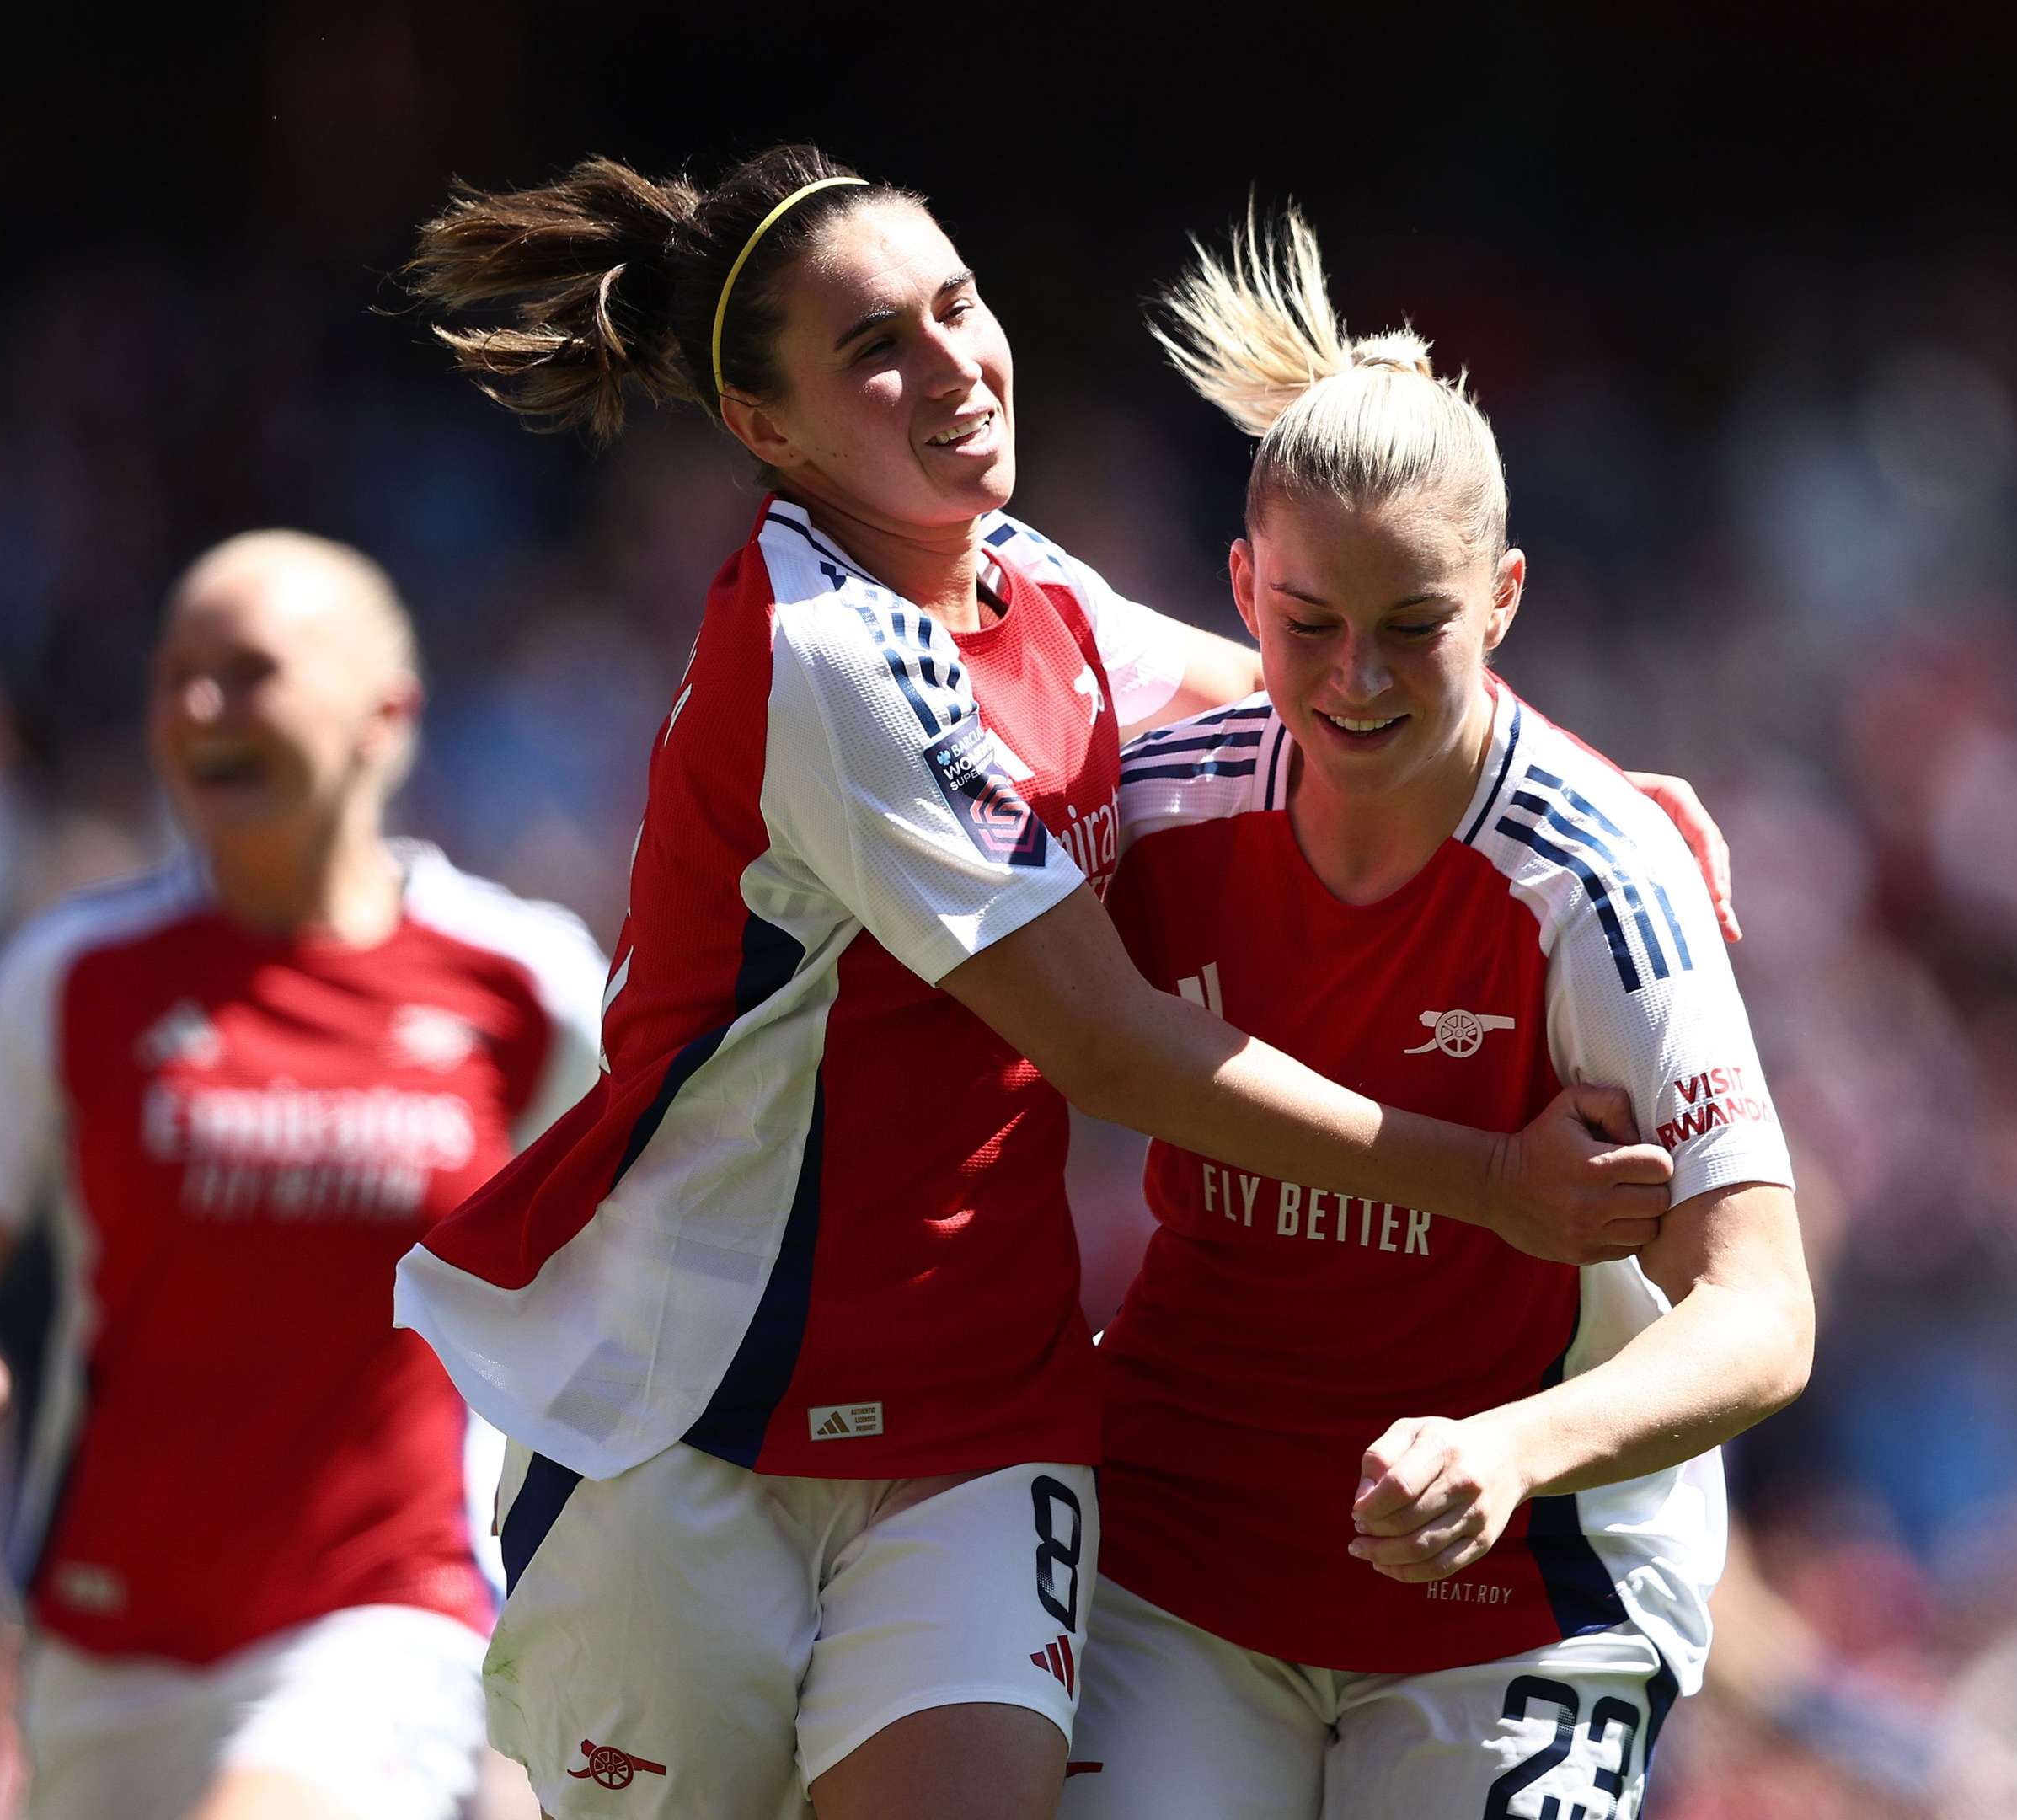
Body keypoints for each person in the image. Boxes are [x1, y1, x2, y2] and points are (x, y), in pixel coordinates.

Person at [388, 146, 1736, 1820]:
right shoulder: (831, 655)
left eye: (958, 305)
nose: (952, 363)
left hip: (977, 1423)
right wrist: (1485, 1183)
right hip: (697, 1416)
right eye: (876, 347)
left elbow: (1320, 684)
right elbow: (1105, 1044)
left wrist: (1581, 785)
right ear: (770, 433)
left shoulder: (1025, 584)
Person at [1056, 211, 1816, 1818]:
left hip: (1525, 1581)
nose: (1356, 682)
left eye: (1418, 628)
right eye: (1309, 623)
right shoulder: (1151, 818)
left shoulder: (1604, 881)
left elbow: (1763, 1315)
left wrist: (1516, 1449)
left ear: (1509, 599)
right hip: (1190, 1547)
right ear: (1242, 587)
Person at [0, 531, 603, 1820]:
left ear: (388, 713)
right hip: (104, 1644)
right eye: (174, 677)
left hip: (390, 1616)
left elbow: (666, 1269)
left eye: (249, 673)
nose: (200, 710)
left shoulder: (526, 985)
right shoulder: (75, 979)